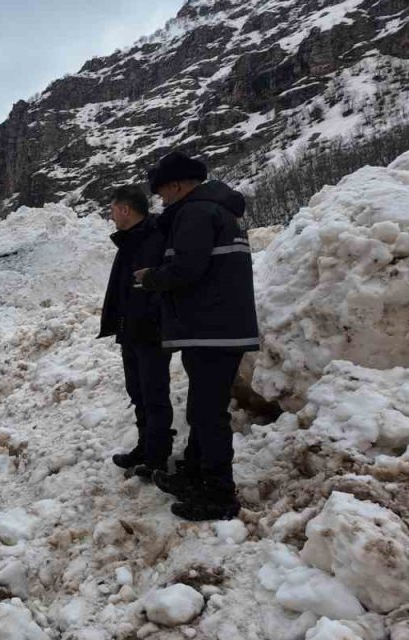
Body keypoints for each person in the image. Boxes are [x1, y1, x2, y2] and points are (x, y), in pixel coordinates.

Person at [135, 151, 260, 522]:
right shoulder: (219, 212)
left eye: (162, 193)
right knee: (202, 409)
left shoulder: (195, 212)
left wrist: (151, 278)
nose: (162, 200)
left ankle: (219, 493)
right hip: (217, 329)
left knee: (208, 414)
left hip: (212, 329)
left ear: (175, 185)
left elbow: (188, 268)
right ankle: (195, 472)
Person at [98, 185, 173, 479]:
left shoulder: (153, 237)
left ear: (125, 209)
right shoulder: (131, 240)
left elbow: (159, 284)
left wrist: (150, 316)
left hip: (150, 330)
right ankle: (145, 447)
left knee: (154, 393)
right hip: (131, 329)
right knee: (138, 392)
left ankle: (157, 455)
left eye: (113, 208)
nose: (110, 215)